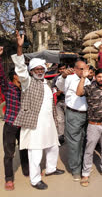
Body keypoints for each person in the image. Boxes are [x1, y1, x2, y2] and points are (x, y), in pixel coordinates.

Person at [11, 31, 64, 190]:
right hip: (34, 125)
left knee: (53, 146)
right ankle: (35, 180)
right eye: (37, 69)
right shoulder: (27, 82)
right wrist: (20, 48)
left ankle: (51, 168)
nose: (40, 71)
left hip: (49, 123)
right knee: (36, 152)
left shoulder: (46, 84)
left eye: (42, 69)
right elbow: (20, 68)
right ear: (32, 71)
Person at [76, 68, 102, 187]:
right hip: (94, 125)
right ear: (95, 77)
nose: (101, 79)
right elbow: (78, 93)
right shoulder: (90, 88)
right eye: (98, 77)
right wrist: (83, 78)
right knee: (89, 150)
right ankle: (85, 173)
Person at [55, 60, 91, 181]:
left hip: (86, 115)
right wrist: (63, 75)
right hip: (73, 114)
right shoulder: (69, 79)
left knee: (83, 141)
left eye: (85, 69)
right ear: (75, 69)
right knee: (74, 143)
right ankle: (75, 169)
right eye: (81, 69)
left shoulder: (88, 80)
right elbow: (59, 85)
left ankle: (82, 165)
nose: (83, 71)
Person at [0, 46, 29, 191]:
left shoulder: (24, 89)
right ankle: (9, 178)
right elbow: (0, 77)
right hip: (10, 125)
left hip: (22, 125)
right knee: (9, 153)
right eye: (19, 75)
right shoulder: (8, 87)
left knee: (24, 149)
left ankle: (26, 170)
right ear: (14, 76)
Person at [51, 63, 67, 145]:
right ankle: (60, 136)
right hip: (59, 101)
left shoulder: (70, 77)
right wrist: (57, 92)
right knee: (60, 120)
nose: (62, 70)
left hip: (68, 102)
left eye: (64, 68)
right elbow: (53, 88)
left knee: (69, 120)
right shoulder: (56, 78)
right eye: (61, 69)